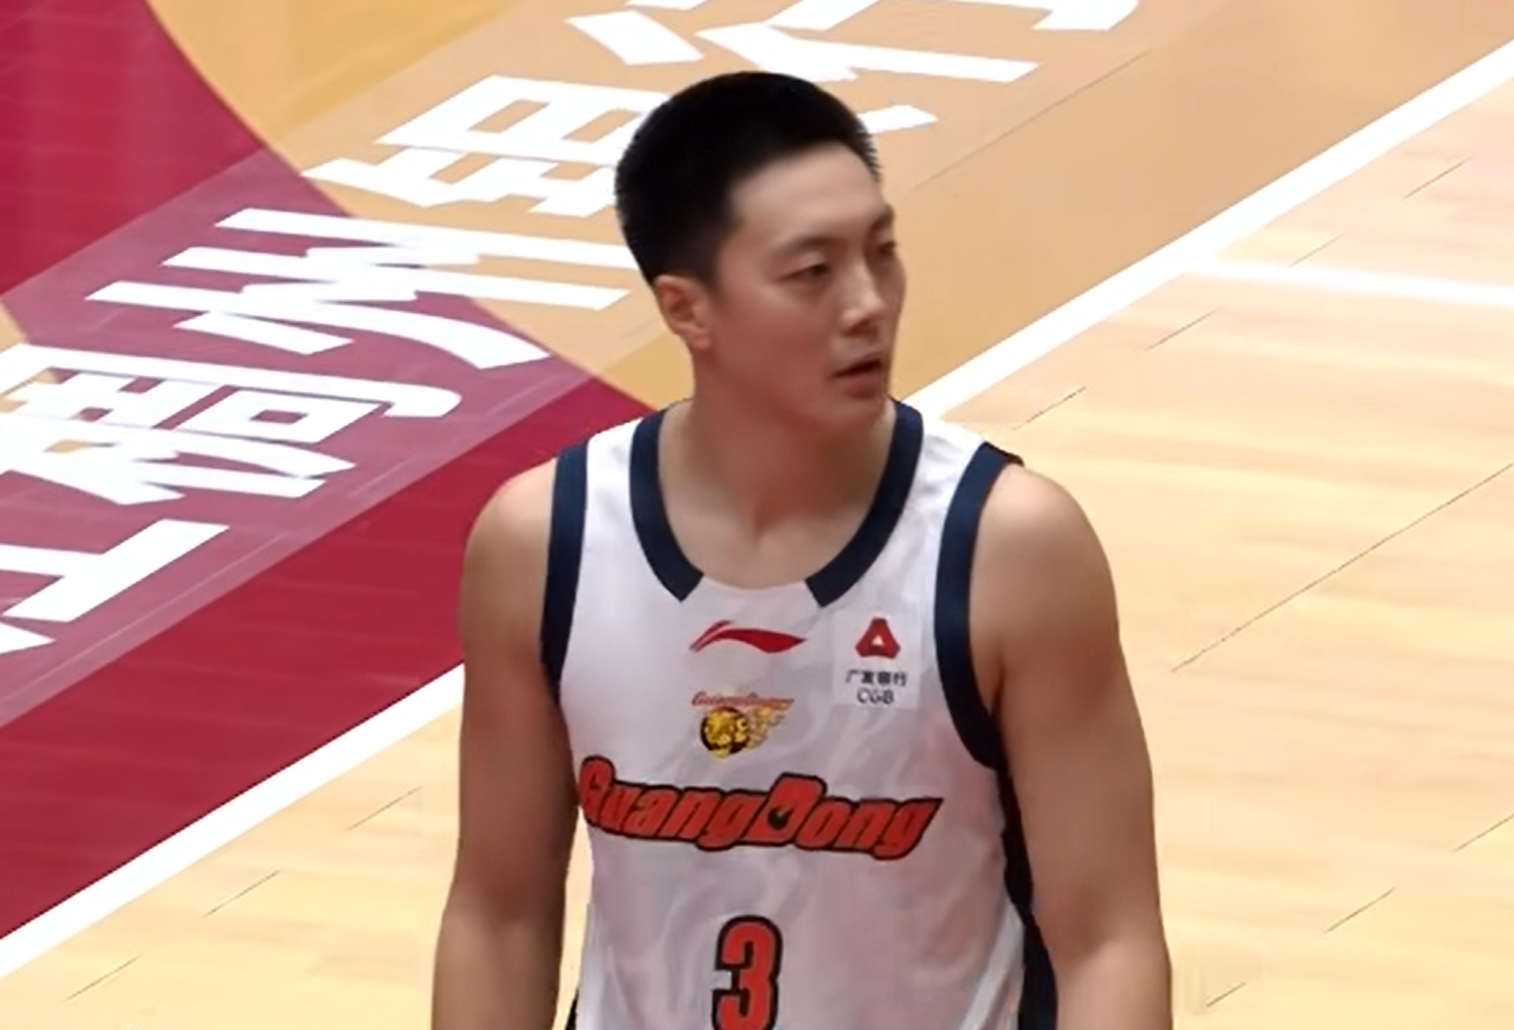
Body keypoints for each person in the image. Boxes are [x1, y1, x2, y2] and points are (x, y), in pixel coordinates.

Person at [431, 70, 1171, 1030]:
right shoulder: (545, 544)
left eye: (882, 253)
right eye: (813, 272)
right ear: (687, 309)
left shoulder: (1010, 549)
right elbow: (499, 915)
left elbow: (1109, 939)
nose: (868, 303)